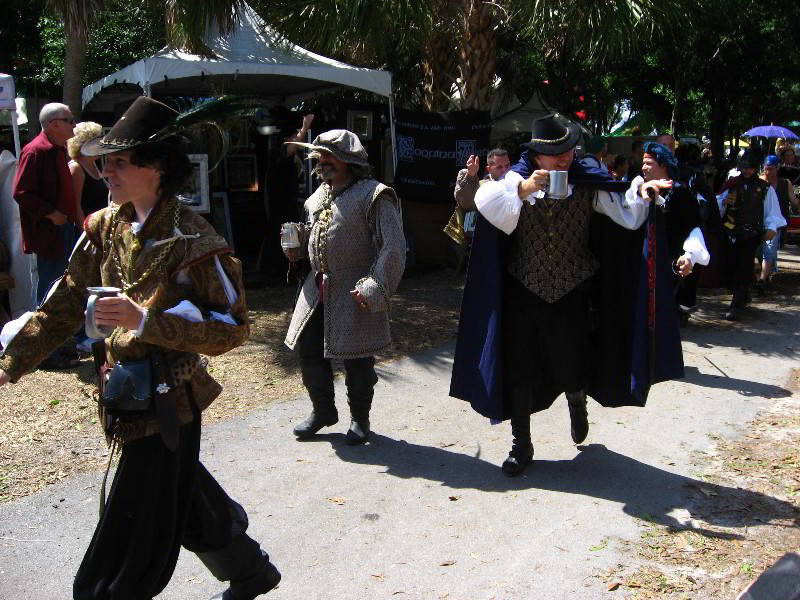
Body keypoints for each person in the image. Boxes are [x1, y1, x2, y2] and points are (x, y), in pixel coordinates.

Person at [0, 97, 280, 600]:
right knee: (180, 494)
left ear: (157, 169)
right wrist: (10, 363)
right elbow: (61, 305)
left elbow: (232, 329)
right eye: (104, 161)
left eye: (120, 161)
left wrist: (146, 320)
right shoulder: (104, 227)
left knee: (131, 521)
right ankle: (251, 570)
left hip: (169, 400)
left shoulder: (194, 238)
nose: (106, 170)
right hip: (125, 393)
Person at [450, 115, 682, 477]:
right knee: (520, 370)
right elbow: (486, 201)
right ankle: (521, 445)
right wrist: (525, 190)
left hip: (574, 287)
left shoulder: (588, 179)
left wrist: (644, 193)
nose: (565, 158)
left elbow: (628, 214)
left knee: (572, 364)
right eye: (556, 152)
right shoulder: (514, 180)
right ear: (538, 155)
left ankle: (577, 398)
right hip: (524, 289)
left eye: (568, 150)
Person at [283, 129, 405, 445]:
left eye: (330, 156)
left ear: (350, 161)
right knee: (309, 351)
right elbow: (317, 236)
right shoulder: (316, 197)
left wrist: (376, 286)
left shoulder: (375, 195)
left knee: (358, 359)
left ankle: (360, 421)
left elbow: (393, 246)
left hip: (355, 292)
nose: (323, 162)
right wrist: (297, 243)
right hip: (317, 290)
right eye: (320, 157)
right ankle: (323, 411)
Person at [12, 102, 81, 368]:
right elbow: (21, 193)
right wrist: (51, 214)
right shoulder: (36, 151)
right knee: (51, 293)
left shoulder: (55, 150)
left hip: (61, 230)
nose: (73, 125)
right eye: (70, 120)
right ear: (54, 125)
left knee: (60, 291)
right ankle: (46, 353)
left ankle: (58, 347)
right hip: (49, 233)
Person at [639, 142, 710, 324]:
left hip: (667, 265)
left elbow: (694, 229)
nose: (643, 167)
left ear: (663, 165)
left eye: (649, 163)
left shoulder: (682, 195)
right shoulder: (639, 190)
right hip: (642, 262)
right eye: (643, 163)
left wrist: (689, 256)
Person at [716, 147, 786, 320]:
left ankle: (737, 303)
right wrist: (724, 201)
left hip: (751, 234)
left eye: (751, 167)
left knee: (743, 265)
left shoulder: (764, 188)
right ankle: (743, 292)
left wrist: (771, 227)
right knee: (730, 268)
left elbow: (773, 212)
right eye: (745, 167)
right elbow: (715, 205)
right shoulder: (731, 183)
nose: (747, 171)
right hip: (731, 232)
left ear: (756, 168)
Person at [757, 154, 799, 291]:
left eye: (772, 169)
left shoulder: (785, 183)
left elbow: (794, 202)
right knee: (760, 251)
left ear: (777, 169)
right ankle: (767, 274)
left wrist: (797, 204)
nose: (768, 172)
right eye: (766, 168)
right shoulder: (758, 182)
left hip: (776, 223)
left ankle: (763, 280)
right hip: (758, 222)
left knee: (770, 248)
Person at [449, 148, 511, 240]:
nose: (505, 170)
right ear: (489, 169)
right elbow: (466, 203)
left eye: (507, 165)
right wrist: (470, 176)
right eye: (499, 167)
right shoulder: (480, 186)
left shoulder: (516, 185)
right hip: (478, 242)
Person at [68, 121, 109, 218]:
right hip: (87, 228)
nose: (102, 144)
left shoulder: (93, 163)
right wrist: (85, 232)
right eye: (98, 141)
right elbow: (75, 207)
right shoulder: (76, 167)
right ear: (86, 143)